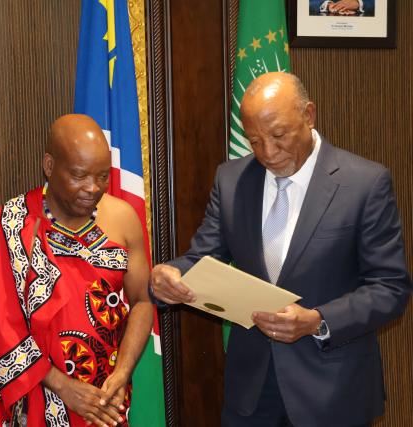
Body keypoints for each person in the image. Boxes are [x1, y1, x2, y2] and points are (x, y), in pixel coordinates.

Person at [150, 72, 411, 427]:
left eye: (278, 136)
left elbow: (390, 287)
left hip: (332, 393)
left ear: (309, 115)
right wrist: (170, 275)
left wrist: (318, 321)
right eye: (255, 141)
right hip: (252, 394)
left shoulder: (365, 183)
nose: (268, 153)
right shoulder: (231, 180)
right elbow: (203, 258)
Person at [0, 114, 153, 427]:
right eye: (79, 175)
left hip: (105, 403)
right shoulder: (9, 224)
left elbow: (143, 300)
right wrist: (63, 387)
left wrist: (122, 373)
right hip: (38, 399)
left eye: (102, 176)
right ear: (49, 166)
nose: (92, 187)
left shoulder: (124, 218)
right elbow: (3, 326)